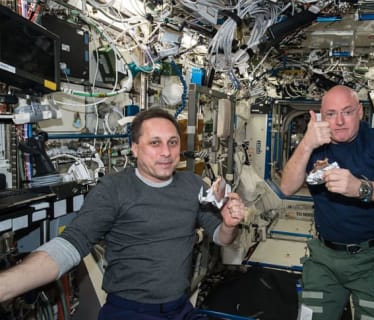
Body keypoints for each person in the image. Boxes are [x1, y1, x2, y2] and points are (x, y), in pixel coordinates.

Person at [0, 108, 245, 320]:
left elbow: (221, 237)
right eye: (155, 143)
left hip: (180, 308)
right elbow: (71, 245)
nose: (166, 152)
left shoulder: (193, 185)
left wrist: (229, 225)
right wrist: (6, 286)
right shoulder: (113, 189)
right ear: (135, 149)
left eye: (172, 142)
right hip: (130, 311)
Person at [280, 85, 374, 320]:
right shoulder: (314, 146)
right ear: (322, 116)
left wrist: (360, 188)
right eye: (331, 114)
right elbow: (287, 187)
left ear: (361, 112)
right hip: (324, 258)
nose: (339, 121)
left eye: (347, 112)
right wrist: (307, 143)